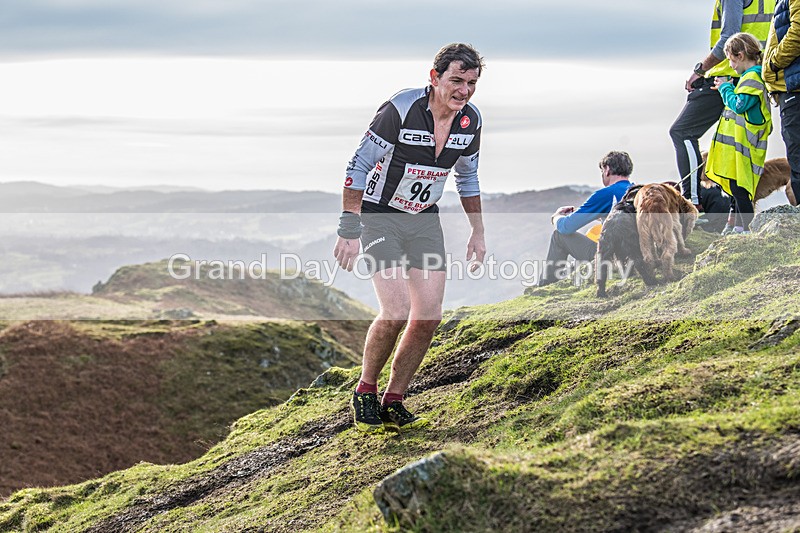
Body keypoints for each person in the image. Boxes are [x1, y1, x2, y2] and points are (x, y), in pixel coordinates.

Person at [333, 43, 486, 433]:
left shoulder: (470, 122)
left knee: (428, 315)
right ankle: (365, 389)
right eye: (456, 80)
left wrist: (478, 231)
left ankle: (395, 398)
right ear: (434, 78)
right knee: (397, 310)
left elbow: (467, 177)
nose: (464, 91)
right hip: (380, 217)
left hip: (423, 222)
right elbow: (358, 166)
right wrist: (349, 230)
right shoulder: (401, 109)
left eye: (471, 83)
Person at [669, 0, 774, 208]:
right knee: (737, 148)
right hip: (755, 73)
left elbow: (728, 35)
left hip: (727, 76)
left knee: (681, 131)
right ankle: (737, 215)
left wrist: (700, 70)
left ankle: (692, 201)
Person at [706, 33, 773, 233]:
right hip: (739, 148)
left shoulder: (753, 76)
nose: (730, 65)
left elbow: (739, 104)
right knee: (737, 189)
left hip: (746, 147)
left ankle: (747, 229)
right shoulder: (747, 77)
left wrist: (725, 88)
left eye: (730, 60)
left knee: (741, 190)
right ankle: (739, 228)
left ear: (740, 55)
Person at [536, 151, 633, 287]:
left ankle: (545, 286)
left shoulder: (605, 194)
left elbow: (566, 227)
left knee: (559, 236)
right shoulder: (637, 191)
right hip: (637, 254)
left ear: (607, 170)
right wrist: (600, 216)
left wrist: (556, 217)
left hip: (613, 258)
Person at [763, 0, 800, 206]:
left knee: (797, 153)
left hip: (794, 85)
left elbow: (798, 30)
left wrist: (773, 63)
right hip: (791, 85)